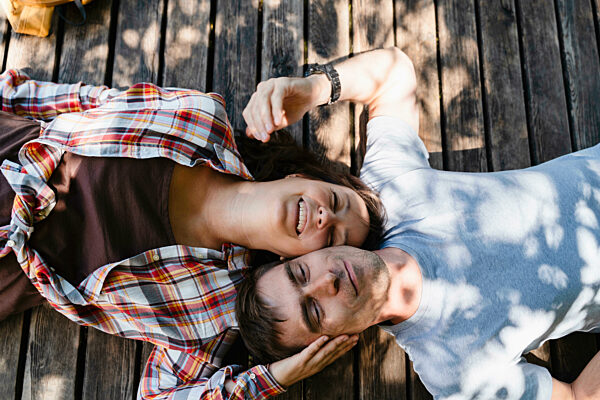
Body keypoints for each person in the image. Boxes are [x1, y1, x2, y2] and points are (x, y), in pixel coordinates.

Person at [236, 46, 600, 399]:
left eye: (301, 273)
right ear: (332, 344)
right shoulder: (456, 375)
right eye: (314, 311)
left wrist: (313, 89)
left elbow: (394, 74)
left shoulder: (387, 194)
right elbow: (576, 396)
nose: (325, 281)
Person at [0, 69, 385, 398]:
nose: (323, 217)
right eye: (335, 201)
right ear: (301, 176)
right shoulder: (204, 118)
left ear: (304, 260)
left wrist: (273, 378)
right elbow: (91, 103)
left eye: (333, 238)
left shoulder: (212, 313)